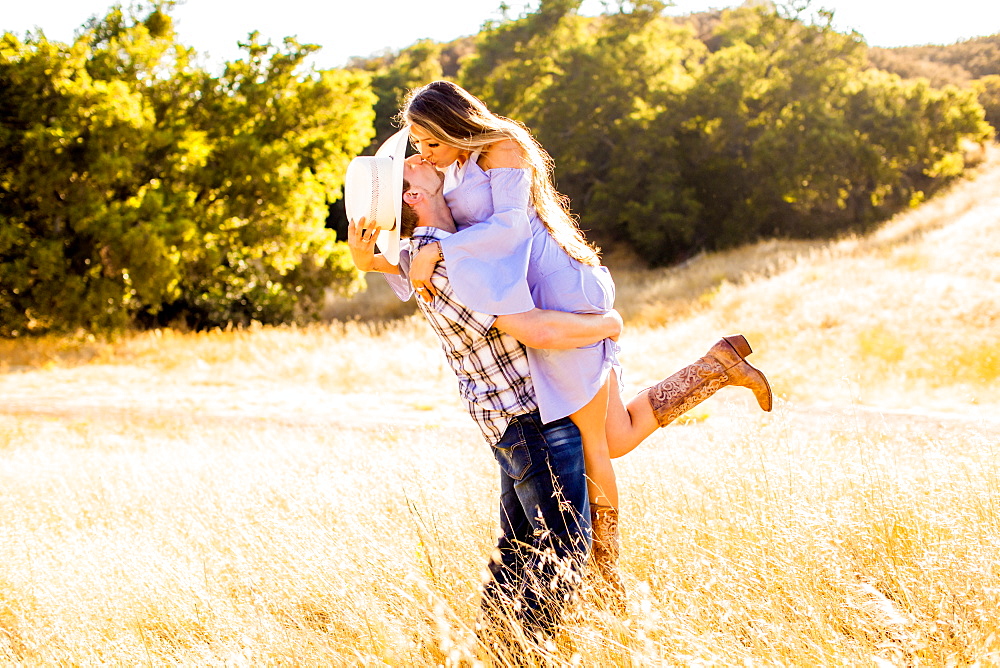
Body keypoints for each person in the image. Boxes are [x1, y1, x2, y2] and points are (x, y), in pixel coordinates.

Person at [389, 81, 773, 608]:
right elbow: (422, 226)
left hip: (556, 286)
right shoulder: (450, 165)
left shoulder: (504, 147)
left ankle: (609, 581)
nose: (423, 153)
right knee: (615, 433)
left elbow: (510, 228)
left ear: (456, 122)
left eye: (430, 141)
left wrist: (441, 247)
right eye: (417, 144)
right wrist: (416, 242)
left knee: (595, 446)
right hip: (534, 290)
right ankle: (716, 368)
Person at [344, 136, 623, 652]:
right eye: (412, 164)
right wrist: (608, 323)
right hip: (531, 420)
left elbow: (378, 260)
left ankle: (491, 651)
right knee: (563, 550)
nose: (422, 158)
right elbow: (537, 331)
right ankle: (524, 656)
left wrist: (368, 251)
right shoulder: (450, 264)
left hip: (509, 423)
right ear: (411, 197)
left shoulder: (429, 253)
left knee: (517, 550)